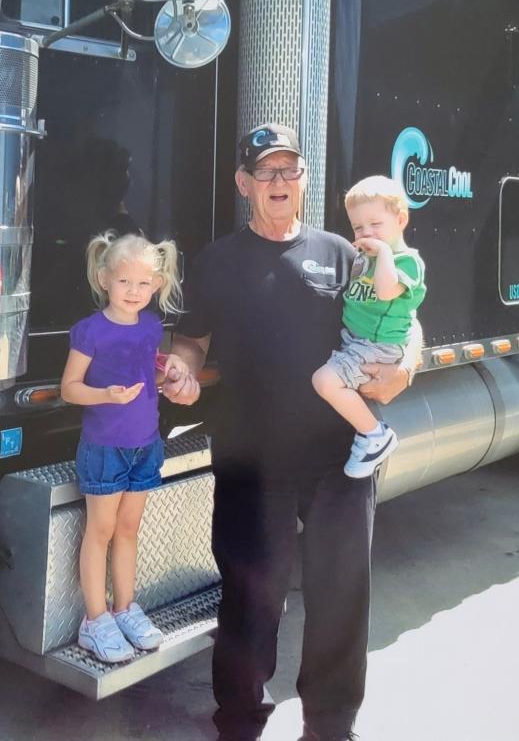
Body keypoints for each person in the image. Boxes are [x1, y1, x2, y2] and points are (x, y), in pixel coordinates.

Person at [161, 123, 420, 741]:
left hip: (341, 459)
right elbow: (192, 341)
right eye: (266, 172)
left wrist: (409, 363)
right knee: (252, 598)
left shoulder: (342, 252)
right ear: (243, 183)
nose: (279, 182)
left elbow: (402, 316)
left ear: (305, 180)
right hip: (251, 458)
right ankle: (240, 721)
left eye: (290, 170)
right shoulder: (217, 260)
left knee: (340, 600)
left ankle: (331, 725)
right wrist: (182, 372)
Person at [60, 230, 189, 663]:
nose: (133, 292)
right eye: (123, 282)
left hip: (145, 444)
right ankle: (94, 621)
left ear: (156, 285)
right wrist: (105, 396)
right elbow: (70, 389)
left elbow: (145, 372)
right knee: (100, 531)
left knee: (129, 530)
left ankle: (125, 609)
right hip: (104, 447)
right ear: (103, 279)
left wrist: (167, 369)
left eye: (143, 283)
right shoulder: (90, 331)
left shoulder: (152, 327)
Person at [312, 176, 426, 478]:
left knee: (324, 381)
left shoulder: (406, 262)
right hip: (356, 341)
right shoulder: (367, 258)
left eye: (375, 224)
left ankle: (375, 436)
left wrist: (384, 254)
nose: (366, 233)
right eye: (358, 227)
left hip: (377, 346)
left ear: (400, 219)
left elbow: (388, 292)